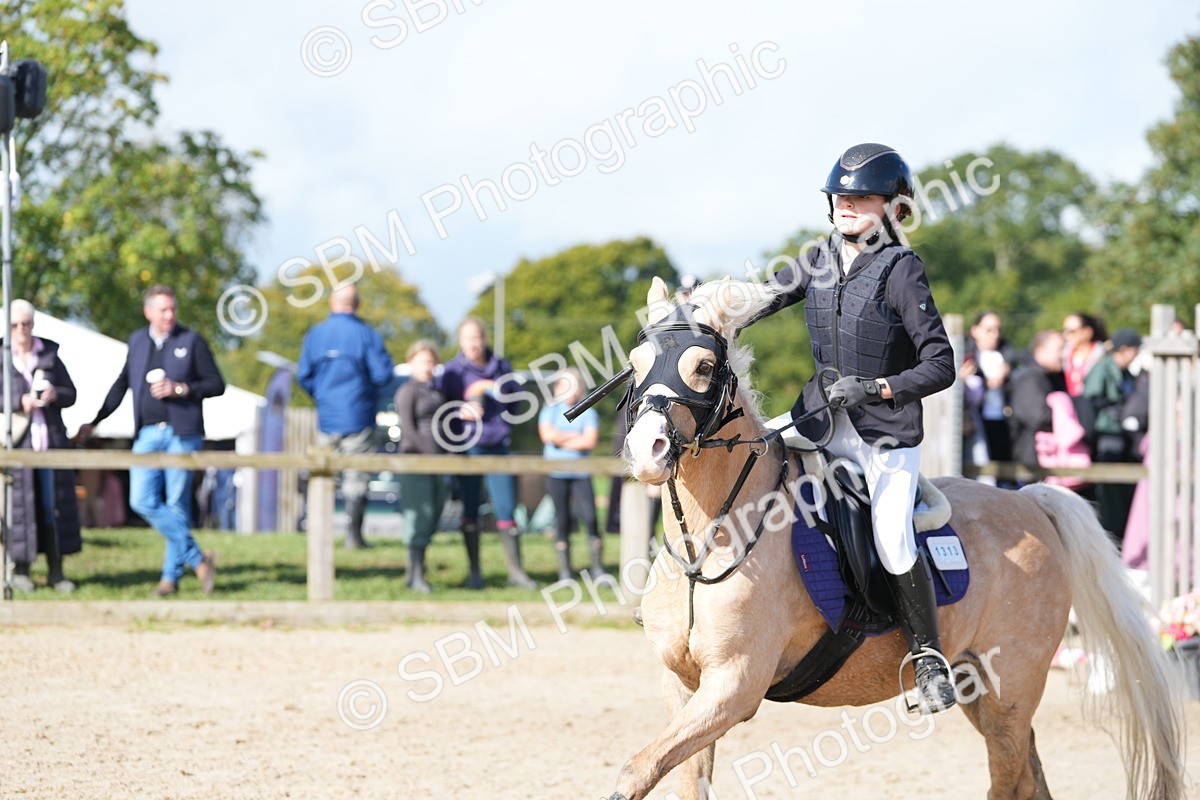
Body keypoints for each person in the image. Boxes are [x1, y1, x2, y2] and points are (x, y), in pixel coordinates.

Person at [758, 143, 957, 714]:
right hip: (820, 417)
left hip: (884, 431)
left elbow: (940, 363)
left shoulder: (902, 269)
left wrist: (877, 388)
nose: (848, 206)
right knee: (746, 451)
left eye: (862, 197)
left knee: (894, 537)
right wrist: (701, 309)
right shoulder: (818, 259)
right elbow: (763, 296)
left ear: (893, 208)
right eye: (841, 197)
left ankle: (928, 659)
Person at [80, 285, 222, 596]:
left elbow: (216, 384)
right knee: (141, 500)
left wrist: (181, 389)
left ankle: (169, 579)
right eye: (163, 310)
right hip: (146, 433)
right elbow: (121, 385)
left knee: (176, 505)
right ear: (149, 312)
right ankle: (199, 560)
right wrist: (95, 421)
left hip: (182, 434)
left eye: (173, 309)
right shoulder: (137, 341)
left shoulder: (191, 341)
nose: (169, 315)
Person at [441, 316, 536, 589]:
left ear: (485, 339)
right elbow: (439, 408)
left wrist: (501, 420)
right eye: (467, 338)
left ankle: (516, 573)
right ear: (460, 341)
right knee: (469, 509)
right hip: (467, 449)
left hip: (498, 447)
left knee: (506, 509)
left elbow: (517, 403)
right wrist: (458, 413)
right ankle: (474, 573)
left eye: (477, 337)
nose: (473, 343)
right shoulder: (452, 373)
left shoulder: (501, 368)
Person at [298, 283, 394, 550]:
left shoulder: (315, 335)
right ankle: (353, 537)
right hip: (358, 418)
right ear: (358, 303)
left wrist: (323, 396)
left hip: (326, 420)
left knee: (324, 476)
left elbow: (303, 375)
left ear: (332, 302)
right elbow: (382, 374)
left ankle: (318, 535)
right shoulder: (367, 335)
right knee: (356, 478)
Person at [2, 300, 83, 592]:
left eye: (26, 323)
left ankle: (56, 571)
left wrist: (54, 394)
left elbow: (71, 393)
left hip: (48, 444)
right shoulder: (2, 355)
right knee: (19, 509)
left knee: (52, 508)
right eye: (15, 325)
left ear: (33, 324)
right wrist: (17, 402)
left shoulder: (49, 354)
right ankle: (21, 569)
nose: (21, 329)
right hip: (15, 446)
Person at [538, 368, 603, 581]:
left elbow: (590, 441)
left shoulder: (589, 412)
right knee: (562, 519)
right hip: (556, 473)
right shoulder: (550, 410)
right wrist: (575, 438)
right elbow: (547, 436)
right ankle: (565, 571)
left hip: (581, 473)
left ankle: (596, 568)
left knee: (590, 517)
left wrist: (561, 439)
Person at [394, 339, 447, 593]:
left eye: (430, 361)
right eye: (421, 361)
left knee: (432, 515)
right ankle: (414, 575)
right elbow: (408, 429)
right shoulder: (408, 391)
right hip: (415, 460)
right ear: (411, 362)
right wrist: (429, 455)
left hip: (437, 462)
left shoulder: (436, 391)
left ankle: (417, 573)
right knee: (418, 515)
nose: (427, 366)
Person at [1083, 327, 1142, 543]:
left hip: (1122, 437)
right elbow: (1091, 400)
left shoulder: (1125, 372)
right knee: (1109, 494)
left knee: (1122, 491)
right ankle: (1110, 536)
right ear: (1125, 350)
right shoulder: (1103, 368)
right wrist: (1115, 410)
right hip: (1107, 438)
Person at [962, 311, 1015, 484]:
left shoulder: (1007, 356)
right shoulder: (966, 358)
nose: (995, 335)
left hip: (1004, 421)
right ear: (975, 330)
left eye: (998, 330)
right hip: (978, 422)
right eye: (989, 330)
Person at [1008, 330, 1068, 474]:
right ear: (1040, 351)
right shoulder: (1029, 379)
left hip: (1045, 459)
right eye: (1059, 349)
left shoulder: (1050, 376)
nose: (1063, 355)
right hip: (1032, 463)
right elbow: (1038, 417)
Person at [1061, 312, 1106, 397]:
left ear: (1087, 332)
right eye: (1065, 330)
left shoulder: (1102, 355)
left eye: (1072, 331)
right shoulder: (1064, 354)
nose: (1066, 335)